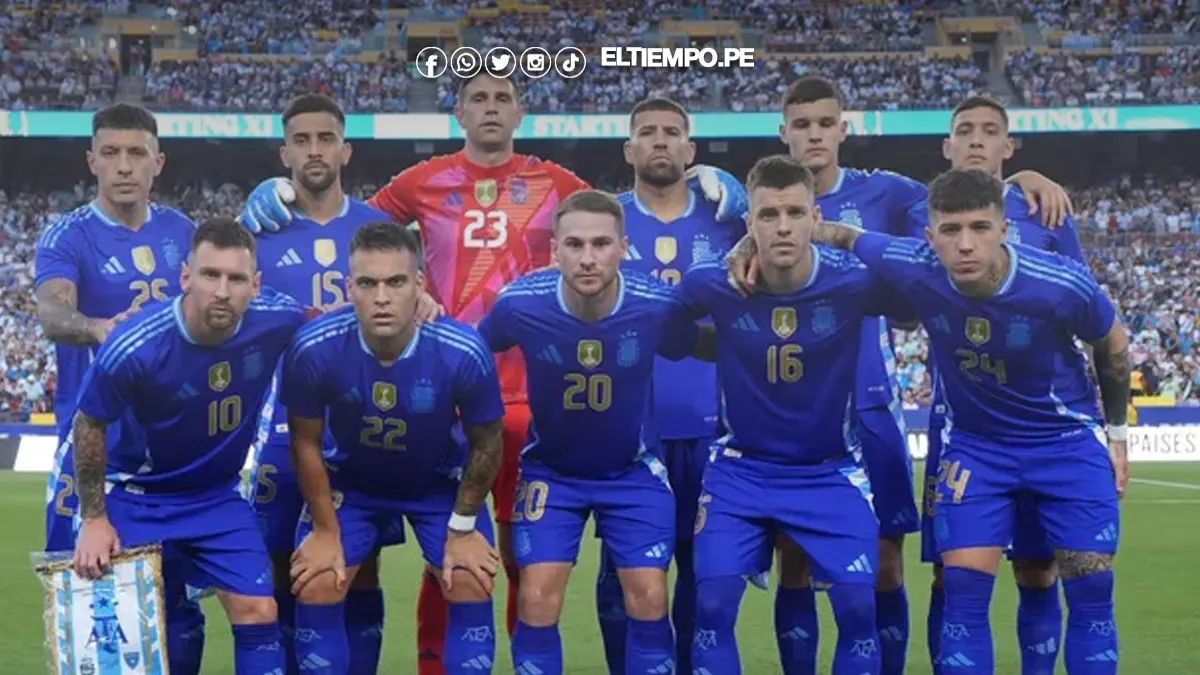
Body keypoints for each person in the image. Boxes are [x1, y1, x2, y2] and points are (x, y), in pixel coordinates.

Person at [238, 72, 748, 675]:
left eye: (502, 98)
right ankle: (436, 665)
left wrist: (700, 181)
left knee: (520, 562)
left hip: (538, 401)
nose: (490, 108)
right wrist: (285, 191)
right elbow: (354, 226)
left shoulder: (555, 182)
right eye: (477, 98)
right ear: (457, 112)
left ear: (520, 112)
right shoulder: (422, 180)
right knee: (451, 559)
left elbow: (614, 215)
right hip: (448, 399)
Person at [725, 74, 1074, 675]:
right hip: (792, 410)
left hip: (870, 401)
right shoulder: (765, 204)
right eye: (802, 125)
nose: (814, 135)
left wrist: (1022, 177)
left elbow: (968, 196)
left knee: (887, 564)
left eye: (824, 123)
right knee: (795, 561)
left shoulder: (888, 193)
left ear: (844, 128)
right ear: (783, 133)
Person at [814, 168, 1130, 675]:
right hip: (978, 448)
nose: (965, 244)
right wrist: (745, 247)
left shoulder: (1058, 283)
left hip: (1065, 442)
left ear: (1004, 230)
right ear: (929, 236)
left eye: (980, 228)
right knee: (961, 591)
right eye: (951, 230)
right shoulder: (913, 263)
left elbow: (1112, 345)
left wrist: (1117, 436)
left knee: (1091, 588)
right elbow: (839, 234)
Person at [677, 154, 916, 675]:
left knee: (858, 609)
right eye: (768, 215)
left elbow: (920, 281)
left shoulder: (853, 282)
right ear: (750, 223)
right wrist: (726, 344)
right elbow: (667, 328)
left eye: (795, 213)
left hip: (829, 471)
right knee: (711, 606)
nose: (782, 226)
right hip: (740, 471)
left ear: (815, 217)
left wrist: (846, 237)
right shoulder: (712, 283)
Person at [476, 190, 711, 675]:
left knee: (649, 597)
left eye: (601, 244)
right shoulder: (520, 304)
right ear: (554, 251)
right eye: (575, 244)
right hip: (552, 473)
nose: (588, 258)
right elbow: (472, 353)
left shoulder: (655, 305)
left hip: (633, 472)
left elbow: (706, 344)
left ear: (623, 247)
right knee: (536, 597)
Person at [70, 217, 307, 675]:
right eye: (210, 275)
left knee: (259, 610)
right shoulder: (136, 346)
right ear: (185, 278)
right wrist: (94, 517)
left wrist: (418, 305)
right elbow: (89, 424)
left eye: (236, 279)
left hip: (217, 497)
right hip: (140, 497)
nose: (222, 291)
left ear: (256, 285)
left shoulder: (278, 318)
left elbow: (337, 324)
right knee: (141, 631)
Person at [244, 93, 423, 675]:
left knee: (357, 565)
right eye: (301, 140)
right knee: (280, 566)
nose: (314, 150)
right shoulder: (258, 231)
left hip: (361, 425)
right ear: (284, 153)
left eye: (326, 139)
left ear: (346, 150)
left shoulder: (378, 230)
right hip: (279, 424)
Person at [281, 222, 506, 675]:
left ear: (419, 284)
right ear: (349, 288)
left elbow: (487, 442)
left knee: (469, 578)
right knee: (318, 581)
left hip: (437, 485)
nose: (381, 297)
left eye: (396, 282)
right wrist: (325, 531)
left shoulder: (462, 350)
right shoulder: (314, 347)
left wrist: (463, 528)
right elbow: (305, 441)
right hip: (352, 485)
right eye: (368, 284)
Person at [33, 103, 206, 673]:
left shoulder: (184, 232)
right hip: (95, 444)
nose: (124, 165)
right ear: (92, 162)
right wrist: (98, 328)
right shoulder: (68, 235)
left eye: (136, 153)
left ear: (159, 162)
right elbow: (53, 313)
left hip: (173, 446)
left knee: (178, 602)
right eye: (110, 153)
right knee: (90, 598)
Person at [921, 94, 1087, 675]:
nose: (975, 140)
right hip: (959, 425)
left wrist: (1025, 182)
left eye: (989, 131)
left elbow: (1082, 305)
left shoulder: (1044, 212)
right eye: (964, 130)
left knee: (1038, 569)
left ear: (1008, 146)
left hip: (1040, 426)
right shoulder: (923, 210)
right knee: (953, 571)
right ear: (947, 146)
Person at [596, 96, 747, 674]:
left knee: (702, 574)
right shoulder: (604, 223)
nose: (659, 141)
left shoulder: (727, 218)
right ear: (628, 149)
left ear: (691, 149)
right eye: (647, 132)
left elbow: (789, 214)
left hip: (713, 424)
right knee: (625, 574)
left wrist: (738, 187)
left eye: (671, 132)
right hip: (628, 431)